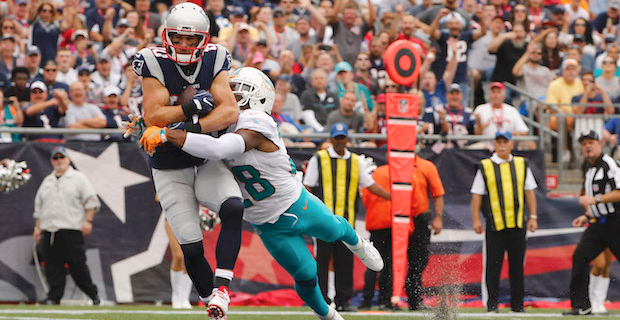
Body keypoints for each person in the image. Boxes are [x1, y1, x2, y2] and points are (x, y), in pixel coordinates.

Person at [139, 67, 385, 320]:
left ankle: (358, 244)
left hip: (295, 203)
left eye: (238, 90)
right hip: (266, 224)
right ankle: (329, 316)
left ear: (259, 96)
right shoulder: (219, 121)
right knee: (306, 274)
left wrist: (168, 134)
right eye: (229, 89)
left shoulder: (257, 121)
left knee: (335, 230)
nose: (230, 95)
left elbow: (220, 148)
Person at [129, 3, 244, 319]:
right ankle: (212, 303)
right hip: (169, 165)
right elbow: (153, 114)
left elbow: (229, 110)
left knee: (234, 207)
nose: (184, 45)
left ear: (204, 39)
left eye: (192, 40)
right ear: (167, 35)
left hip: (204, 155)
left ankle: (222, 289)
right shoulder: (151, 60)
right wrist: (192, 108)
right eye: (178, 38)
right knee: (190, 246)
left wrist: (186, 129)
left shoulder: (216, 57)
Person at [303, 122, 391, 312]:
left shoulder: (356, 161)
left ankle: (343, 301)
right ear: (331, 139)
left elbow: (370, 184)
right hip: (322, 221)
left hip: (346, 222)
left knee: (345, 261)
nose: (340, 142)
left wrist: (391, 197)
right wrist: (307, 213)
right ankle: (323, 301)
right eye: (337, 138)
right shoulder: (319, 158)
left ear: (347, 139)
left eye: (343, 138)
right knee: (322, 262)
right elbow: (307, 187)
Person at [470, 130, 538, 313]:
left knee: (517, 266)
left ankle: (517, 305)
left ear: (511, 145)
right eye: (498, 141)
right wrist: (476, 219)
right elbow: (477, 195)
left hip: (517, 224)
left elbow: (529, 191)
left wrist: (533, 216)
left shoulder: (521, 164)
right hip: (495, 224)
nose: (501, 145)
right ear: (494, 144)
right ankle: (492, 304)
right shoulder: (485, 166)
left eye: (505, 142)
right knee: (493, 266)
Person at [33, 146, 101, 305]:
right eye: (55, 158)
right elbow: (39, 206)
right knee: (52, 267)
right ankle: (53, 297)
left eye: (61, 157)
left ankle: (93, 295)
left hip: (71, 229)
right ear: (51, 161)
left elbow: (91, 201)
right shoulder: (47, 181)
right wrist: (37, 227)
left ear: (68, 159)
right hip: (50, 230)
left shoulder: (78, 178)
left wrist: (88, 221)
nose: (59, 161)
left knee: (77, 266)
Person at [563, 130, 620, 316]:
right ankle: (582, 306)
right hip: (597, 224)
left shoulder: (609, 164)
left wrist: (595, 200)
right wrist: (587, 216)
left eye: (591, 142)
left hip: (615, 222)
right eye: (584, 142)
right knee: (580, 257)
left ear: (600, 143)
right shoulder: (587, 166)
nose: (587, 146)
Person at [406, 150, 445, 311]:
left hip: (419, 219)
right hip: (397, 218)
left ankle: (414, 298)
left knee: (419, 259)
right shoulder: (393, 166)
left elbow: (438, 193)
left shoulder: (426, 166)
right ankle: (386, 299)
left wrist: (438, 217)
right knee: (390, 259)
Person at [359, 164, 392, 310]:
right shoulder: (397, 173)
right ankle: (385, 300)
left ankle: (367, 300)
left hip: (376, 222)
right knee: (387, 264)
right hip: (392, 222)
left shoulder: (376, 173)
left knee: (372, 262)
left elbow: (366, 197)